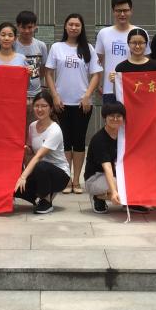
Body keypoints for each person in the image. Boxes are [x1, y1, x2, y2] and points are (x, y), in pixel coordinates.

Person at [45, 14, 102, 194]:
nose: (74, 27)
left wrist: (87, 96)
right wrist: (54, 96)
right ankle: (66, 179)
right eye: (71, 24)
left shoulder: (88, 48)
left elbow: (96, 75)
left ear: (82, 28)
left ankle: (76, 180)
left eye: (77, 25)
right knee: (65, 142)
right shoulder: (57, 47)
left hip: (82, 104)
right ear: (65, 26)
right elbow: (48, 73)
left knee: (78, 142)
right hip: (61, 103)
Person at [15, 90, 71, 214]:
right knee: (15, 189)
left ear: (51, 109)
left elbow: (39, 156)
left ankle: (46, 201)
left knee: (41, 166)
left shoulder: (55, 130)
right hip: (39, 171)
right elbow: (32, 151)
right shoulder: (32, 126)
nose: (40, 109)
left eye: (44, 106)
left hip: (59, 175)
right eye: (37, 106)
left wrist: (23, 177)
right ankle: (38, 195)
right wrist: (27, 150)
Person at [95, 0, 148, 104]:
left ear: (131, 11)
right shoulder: (103, 33)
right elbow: (98, 61)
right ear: (113, 11)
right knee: (111, 116)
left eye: (125, 10)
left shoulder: (140, 33)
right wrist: (98, 83)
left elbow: (147, 61)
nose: (122, 14)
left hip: (135, 89)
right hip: (110, 89)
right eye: (118, 11)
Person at [84, 101, 126, 214]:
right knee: (123, 186)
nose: (115, 119)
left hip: (116, 175)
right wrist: (114, 191)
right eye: (111, 116)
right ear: (104, 118)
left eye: (119, 116)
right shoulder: (99, 139)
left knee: (133, 182)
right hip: (95, 178)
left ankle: (130, 202)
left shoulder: (123, 136)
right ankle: (98, 196)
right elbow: (107, 167)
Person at [14, 10, 49, 102]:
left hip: (36, 94)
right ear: (17, 27)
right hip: (16, 93)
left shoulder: (41, 45)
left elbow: (43, 68)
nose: (26, 31)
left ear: (35, 26)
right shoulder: (12, 45)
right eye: (23, 27)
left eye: (30, 27)